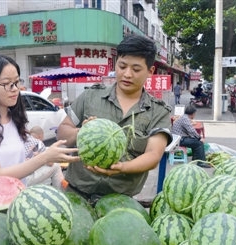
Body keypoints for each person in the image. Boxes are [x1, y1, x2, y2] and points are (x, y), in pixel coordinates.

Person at [57, 35, 173, 204]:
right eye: (122, 66)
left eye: (136, 69)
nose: (127, 74)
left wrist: (122, 168)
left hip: (121, 201)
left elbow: (153, 155)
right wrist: (83, 132)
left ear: (150, 71)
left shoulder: (158, 111)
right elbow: (62, 132)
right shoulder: (90, 96)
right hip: (76, 195)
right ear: (115, 64)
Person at [0, 54, 79, 185]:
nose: (15, 89)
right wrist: (45, 157)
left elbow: (17, 161)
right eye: (6, 84)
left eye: (16, 82)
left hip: (19, 197)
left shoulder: (14, 118)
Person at [25, 126, 66, 190]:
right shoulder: (38, 143)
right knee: (56, 166)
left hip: (12, 174)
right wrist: (39, 155)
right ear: (40, 135)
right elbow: (51, 163)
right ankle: (62, 195)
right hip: (24, 178)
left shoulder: (24, 140)